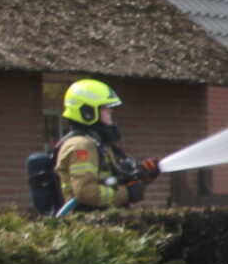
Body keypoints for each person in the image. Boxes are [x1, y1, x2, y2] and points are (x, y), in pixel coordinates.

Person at [52, 79, 157, 209]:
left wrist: (143, 175)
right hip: (87, 224)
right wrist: (126, 193)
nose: (110, 111)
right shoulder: (81, 146)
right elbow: (85, 192)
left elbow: (117, 179)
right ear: (87, 112)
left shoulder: (99, 144)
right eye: (105, 107)